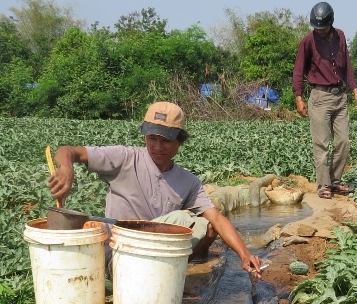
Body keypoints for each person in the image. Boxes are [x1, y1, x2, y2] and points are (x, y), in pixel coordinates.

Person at [47, 101, 263, 276]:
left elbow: (217, 218)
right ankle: (156, 273)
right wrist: (66, 168)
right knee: (183, 218)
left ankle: (175, 269)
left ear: (179, 141)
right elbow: (67, 151)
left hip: (159, 256)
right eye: (152, 139)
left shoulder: (188, 181)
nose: (158, 147)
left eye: (166, 141)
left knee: (208, 227)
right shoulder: (125, 158)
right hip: (121, 255)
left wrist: (245, 255)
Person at [292, 1, 357, 200]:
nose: (319, 31)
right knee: (322, 144)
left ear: (331, 22)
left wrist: (355, 90)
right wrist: (299, 97)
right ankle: (324, 185)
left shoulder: (340, 36)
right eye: (317, 27)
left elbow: (347, 65)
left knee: (343, 142)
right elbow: (298, 70)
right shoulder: (308, 41)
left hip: (340, 96)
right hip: (320, 97)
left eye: (323, 27)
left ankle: (335, 181)